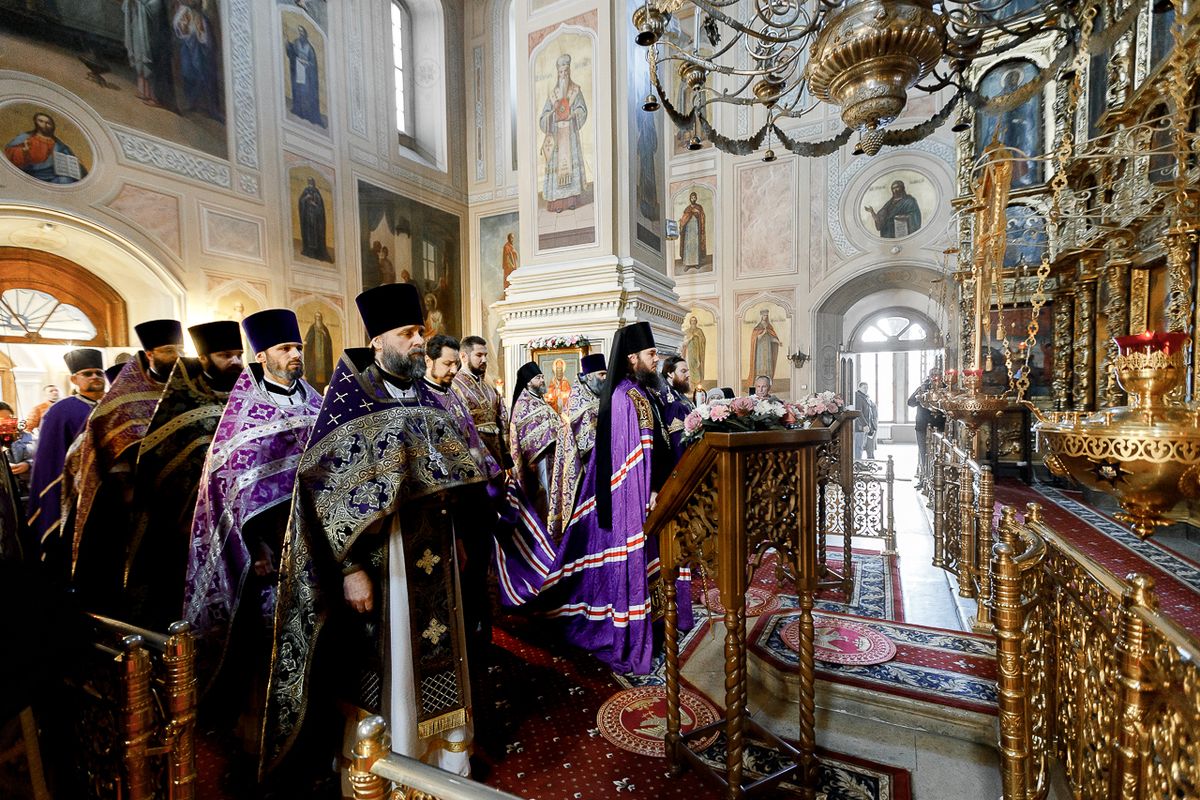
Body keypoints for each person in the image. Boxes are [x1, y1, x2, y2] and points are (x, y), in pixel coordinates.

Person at [263, 283, 485, 783]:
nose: (417, 342)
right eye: (407, 333)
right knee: (391, 665)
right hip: (386, 562)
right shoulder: (350, 400)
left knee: (441, 656)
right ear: (378, 339)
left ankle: (443, 761)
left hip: (437, 553)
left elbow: (447, 477)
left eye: (419, 332)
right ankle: (393, 762)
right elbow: (322, 495)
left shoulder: (429, 395)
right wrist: (350, 569)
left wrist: (459, 542)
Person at [183, 309, 322, 786]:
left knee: (320, 646)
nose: (295, 356)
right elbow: (227, 487)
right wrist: (256, 546)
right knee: (271, 651)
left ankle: (315, 741)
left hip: (318, 546)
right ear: (262, 355)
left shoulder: (315, 400)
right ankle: (263, 752)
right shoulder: (244, 410)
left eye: (298, 348)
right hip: (269, 556)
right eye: (286, 349)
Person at [539, 322, 691, 674]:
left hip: (652, 497)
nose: (656, 360)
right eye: (652, 355)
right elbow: (630, 459)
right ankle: (634, 633)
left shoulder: (643, 391)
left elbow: (659, 445)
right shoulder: (625, 396)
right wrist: (646, 493)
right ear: (632, 357)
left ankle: (656, 624)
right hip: (634, 503)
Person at [123, 321, 243, 628]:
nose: (236, 362)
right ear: (203, 358)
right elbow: (159, 471)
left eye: (239, 355)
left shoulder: (248, 399)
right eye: (225, 355)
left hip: (246, 526)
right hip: (186, 531)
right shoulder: (181, 404)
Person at [65, 320, 182, 608]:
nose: (178, 356)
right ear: (150, 354)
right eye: (169, 350)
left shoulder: (185, 392)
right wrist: (126, 486)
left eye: (180, 349)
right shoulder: (122, 400)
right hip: (138, 505)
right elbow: (107, 445)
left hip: (182, 500)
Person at [26, 349, 105, 565]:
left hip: (111, 488)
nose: (95, 377)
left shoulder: (113, 405)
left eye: (99, 372)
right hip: (74, 490)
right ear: (74, 379)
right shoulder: (61, 410)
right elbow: (49, 457)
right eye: (87, 373)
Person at [547, 353, 606, 543]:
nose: (605, 379)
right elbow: (587, 442)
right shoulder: (578, 402)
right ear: (588, 376)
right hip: (584, 468)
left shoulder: (599, 396)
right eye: (601, 375)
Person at [510, 361, 561, 524]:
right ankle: (546, 527)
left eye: (542, 377)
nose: (542, 381)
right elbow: (523, 431)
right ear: (528, 382)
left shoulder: (539, 400)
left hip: (551, 455)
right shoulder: (523, 403)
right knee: (543, 495)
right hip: (538, 459)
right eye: (538, 378)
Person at [451, 336, 512, 471]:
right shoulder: (454, 385)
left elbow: (502, 418)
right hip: (474, 455)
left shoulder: (489, 387)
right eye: (479, 355)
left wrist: (506, 453)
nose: (484, 360)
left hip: (497, 454)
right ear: (463, 356)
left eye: (485, 355)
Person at [538, 53, 588, 212]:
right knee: (557, 168)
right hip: (557, 137)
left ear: (569, 72)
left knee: (570, 167)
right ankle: (558, 203)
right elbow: (543, 118)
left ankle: (571, 200)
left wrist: (574, 115)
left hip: (570, 134)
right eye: (561, 72)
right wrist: (551, 114)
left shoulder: (575, 90)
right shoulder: (552, 95)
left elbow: (582, 109)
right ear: (557, 73)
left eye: (566, 72)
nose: (563, 75)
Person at [172, 0, 222, 121]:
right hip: (187, 30)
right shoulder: (182, 11)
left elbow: (203, 6)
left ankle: (212, 108)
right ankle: (192, 101)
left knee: (205, 71)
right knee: (187, 72)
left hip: (200, 31)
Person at [4, 112, 87, 184]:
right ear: (35, 123)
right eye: (41, 121)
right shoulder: (25, 137)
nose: (45, 125)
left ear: (52, 126)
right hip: (30, 174)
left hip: (52, 176)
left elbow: (72, 161)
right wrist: (23, 151)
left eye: (48, 123)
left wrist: (78, 167)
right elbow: (8, 153)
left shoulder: (59, 145)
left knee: (65, 180)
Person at [123, 0, 176, 109]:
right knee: (151, 65)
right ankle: (148, 94)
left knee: (158, 67)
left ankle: (158, 99)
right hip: (154, 38)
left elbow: (153, 12)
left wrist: (139, 4)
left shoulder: (157, 2)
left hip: (158, 40)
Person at [908, 368, 945, 481]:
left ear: (941, 376)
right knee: (923, 452)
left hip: (939, 427)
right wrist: (920, 394)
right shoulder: (923, 388)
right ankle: (924, 479)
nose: (935, 377)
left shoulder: (945, 389)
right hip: (922, 425)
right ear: (929, 376)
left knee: (939, 454)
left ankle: (937, 479)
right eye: (932, 375)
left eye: (937, 375)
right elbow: (910, 402)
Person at [286, 24, 324, 126]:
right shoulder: (296, 43)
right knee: (298, 92)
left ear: (305, 34)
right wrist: (288, 46)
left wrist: (306, 63)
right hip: (298, 72)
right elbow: (292, 54)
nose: (301, 34)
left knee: (306, 94)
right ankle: (298, 110)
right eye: (299, 32)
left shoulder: (309, 48)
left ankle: (307, 113)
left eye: (302, 32)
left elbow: (313, 64)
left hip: (307, 75)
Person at [658, 355, 694, 460]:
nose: (688, 375)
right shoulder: (667, 397)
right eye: (683, 371)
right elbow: (677, 440)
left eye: (687, 371)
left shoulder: (679, 393)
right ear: (670, 374)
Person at [0, 403, 33, 503]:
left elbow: (43, 459)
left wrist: (29, 464)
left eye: (10, 418)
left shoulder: (30, 437)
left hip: (28, 491)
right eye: (2, 421)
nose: (7, 424)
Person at [298, 177, 331, 261]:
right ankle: (308, 250)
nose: (310, 184)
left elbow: (320, 206)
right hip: (307, 217)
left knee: (316, 234)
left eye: (311, 182)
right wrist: (305, 199)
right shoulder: (305, 191)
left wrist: (314, 204)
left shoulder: (317, 192)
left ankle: (317, 252)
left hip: (316, 219)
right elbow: (301, 201)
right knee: (308, 234)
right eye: (309, 182)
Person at [748, 309, 781, 387]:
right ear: (761, 316)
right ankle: (758, 384)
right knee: (760, 366)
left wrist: (777, 341)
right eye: (764, 315)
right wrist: (763, 333)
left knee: (768, 366)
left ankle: (768, 384)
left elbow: (771, 338)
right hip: (760, 351)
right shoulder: (758, 327)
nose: (765, 317)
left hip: (768, 350)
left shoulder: (769, 326)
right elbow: (756, 339)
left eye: (766, 315)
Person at [304, 311, 335, 391]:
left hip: (323, 359)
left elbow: (328, 342)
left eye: (319, 317)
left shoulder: (324, 329)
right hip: (314, 358)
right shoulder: (312, 328)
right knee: (313, 375)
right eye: (317, 317)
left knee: (325, 376)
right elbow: (308, 340)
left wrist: (323, 334)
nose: (318, 319)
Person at [678, 191, 707, 271]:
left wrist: (697, 213)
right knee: (688, 246)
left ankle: (696, 263)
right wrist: (682, 223)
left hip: (696, 229)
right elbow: (684, 218)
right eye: (692, 197)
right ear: (690, 199)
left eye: (694, 197)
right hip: (688, 231)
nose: (693, 199)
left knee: (695, 245)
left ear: (696, 198)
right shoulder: (687, 208)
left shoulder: (699, 207)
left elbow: (702, 217)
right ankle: (687, 264)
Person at [854, 381, 878, 460]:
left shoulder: (865, 397)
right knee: (859, 446)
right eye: (864, 387)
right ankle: (858, 464)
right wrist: (864, 424)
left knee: (863, 446)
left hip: (866, 426)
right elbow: (858, 412)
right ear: (859, 388)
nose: (866, 389)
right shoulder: (858, 397)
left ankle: (859, 463)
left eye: (867, 388)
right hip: (860, 426)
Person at [681, 315, 706, 386]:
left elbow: (703, 341)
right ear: (690, 322)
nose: (693, 322)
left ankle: (697, 384)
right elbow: (684, 343)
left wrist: (698, 336)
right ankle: (690, 385)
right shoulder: (687, 331)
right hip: (689, 353)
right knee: (689, 367)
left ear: (696, 322)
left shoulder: (699, 331)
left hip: (697, 353)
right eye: (692, 321)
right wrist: (691, 338)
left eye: (694, 321)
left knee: (696, 367)